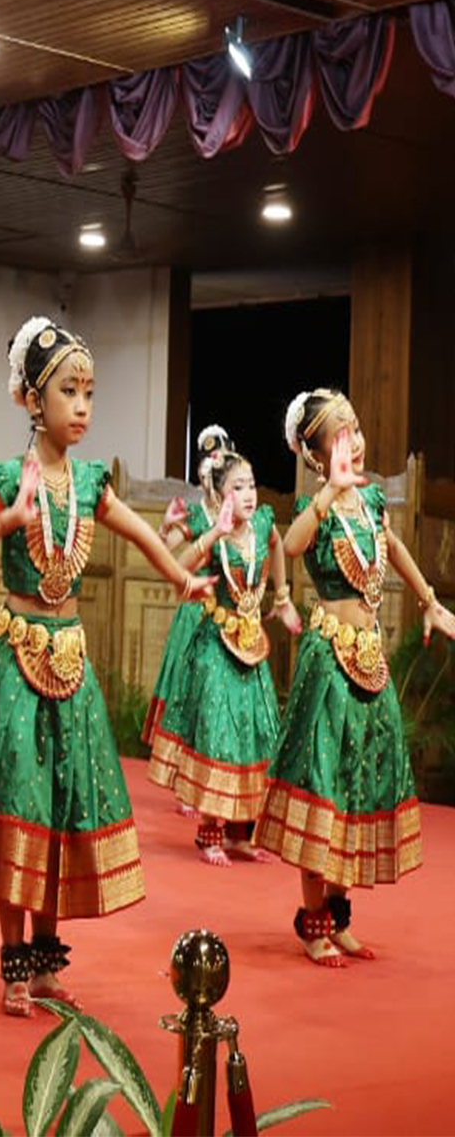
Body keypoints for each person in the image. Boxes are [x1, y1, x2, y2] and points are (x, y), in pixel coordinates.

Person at [0, 316, 213, 1018]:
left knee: (59, 808)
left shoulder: (87, 481)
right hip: (19, 662)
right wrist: (9, 518)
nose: (82, 407)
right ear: (30, 400)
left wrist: (178, 576)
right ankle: (14, 965)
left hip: (72, 665)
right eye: (68, 393)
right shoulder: (5, 478)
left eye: (89, 393)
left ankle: (47, 964)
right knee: (19, 803)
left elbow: (141, 530)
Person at [255, 388, 455, 966]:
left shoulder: (371, 506)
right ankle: (313, 922)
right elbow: (290, 547)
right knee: (324, 783)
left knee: (360, 781)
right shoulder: (319, 506)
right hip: (329, 662)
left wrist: (428, 601)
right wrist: (328, 493)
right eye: (342, 436)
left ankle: (339, 917)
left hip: (369, 658)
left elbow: (392, 548)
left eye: (357, 429)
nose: (356, 442)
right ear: (317, 455)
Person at [146, 444, 302, 864]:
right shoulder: (213, 529)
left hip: (251, 646)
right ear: (219, 493)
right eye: (238, 487)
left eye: (251, 485)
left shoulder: (263, 522)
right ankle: (210, 832)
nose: (249, 494)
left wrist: (283, 596)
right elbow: (179, 564)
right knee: (219, 735)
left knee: (255, 735)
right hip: (215, 646)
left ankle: (240, 834)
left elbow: (278, 545)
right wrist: (213, 532)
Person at [140, 426, 228, 759]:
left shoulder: (238, 513)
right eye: (209, 465)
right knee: (191, 691)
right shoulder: (197, 515)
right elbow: (164, 555)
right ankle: (184, 771)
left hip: (230, 613)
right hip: (196, 613)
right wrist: (164, 528)